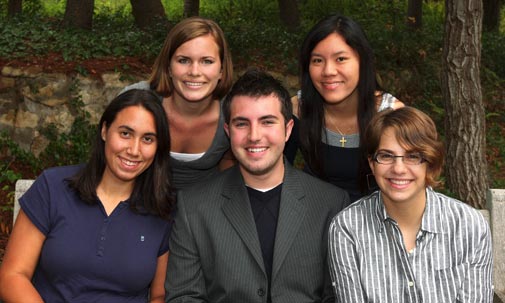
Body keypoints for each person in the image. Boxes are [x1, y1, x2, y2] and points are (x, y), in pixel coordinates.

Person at [165, 69, 350, 303]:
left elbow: (338, 296)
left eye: (267, 122)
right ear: (227, 131)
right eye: (242, 124)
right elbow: (183, 297)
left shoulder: (330, 204)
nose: (254, 136)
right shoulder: (194, 206)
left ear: (288, 130)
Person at [0, 89, 176, 302]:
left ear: (158, 147)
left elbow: (159, 295)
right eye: (125, 133)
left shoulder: (161, 209)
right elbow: (13, 276)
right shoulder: (53, 187)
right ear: (104, 131)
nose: (134, 150)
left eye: (148, 139)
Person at [328, 107, 493, 302]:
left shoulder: (468, 225)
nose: (398, 168)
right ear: (372, 163)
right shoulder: (347, 228)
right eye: (386, 156)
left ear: (430, 163)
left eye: (413, 156)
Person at [285, 13, 404, 202]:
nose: (328, 71)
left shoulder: (391, 115)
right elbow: (275, 174)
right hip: (312, 216)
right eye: (317, 60)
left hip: (374, 220)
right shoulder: (297, 109)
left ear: (362, 61)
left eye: (340, 59)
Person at [122, 16, 234, 190]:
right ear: (168, 67)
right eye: (183, 60)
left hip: (205, 208)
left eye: (207, 61)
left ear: (221, 69)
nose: (194, 72)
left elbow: (232, 171)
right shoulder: (135, 100)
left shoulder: (234, 111)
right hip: (139, 202)